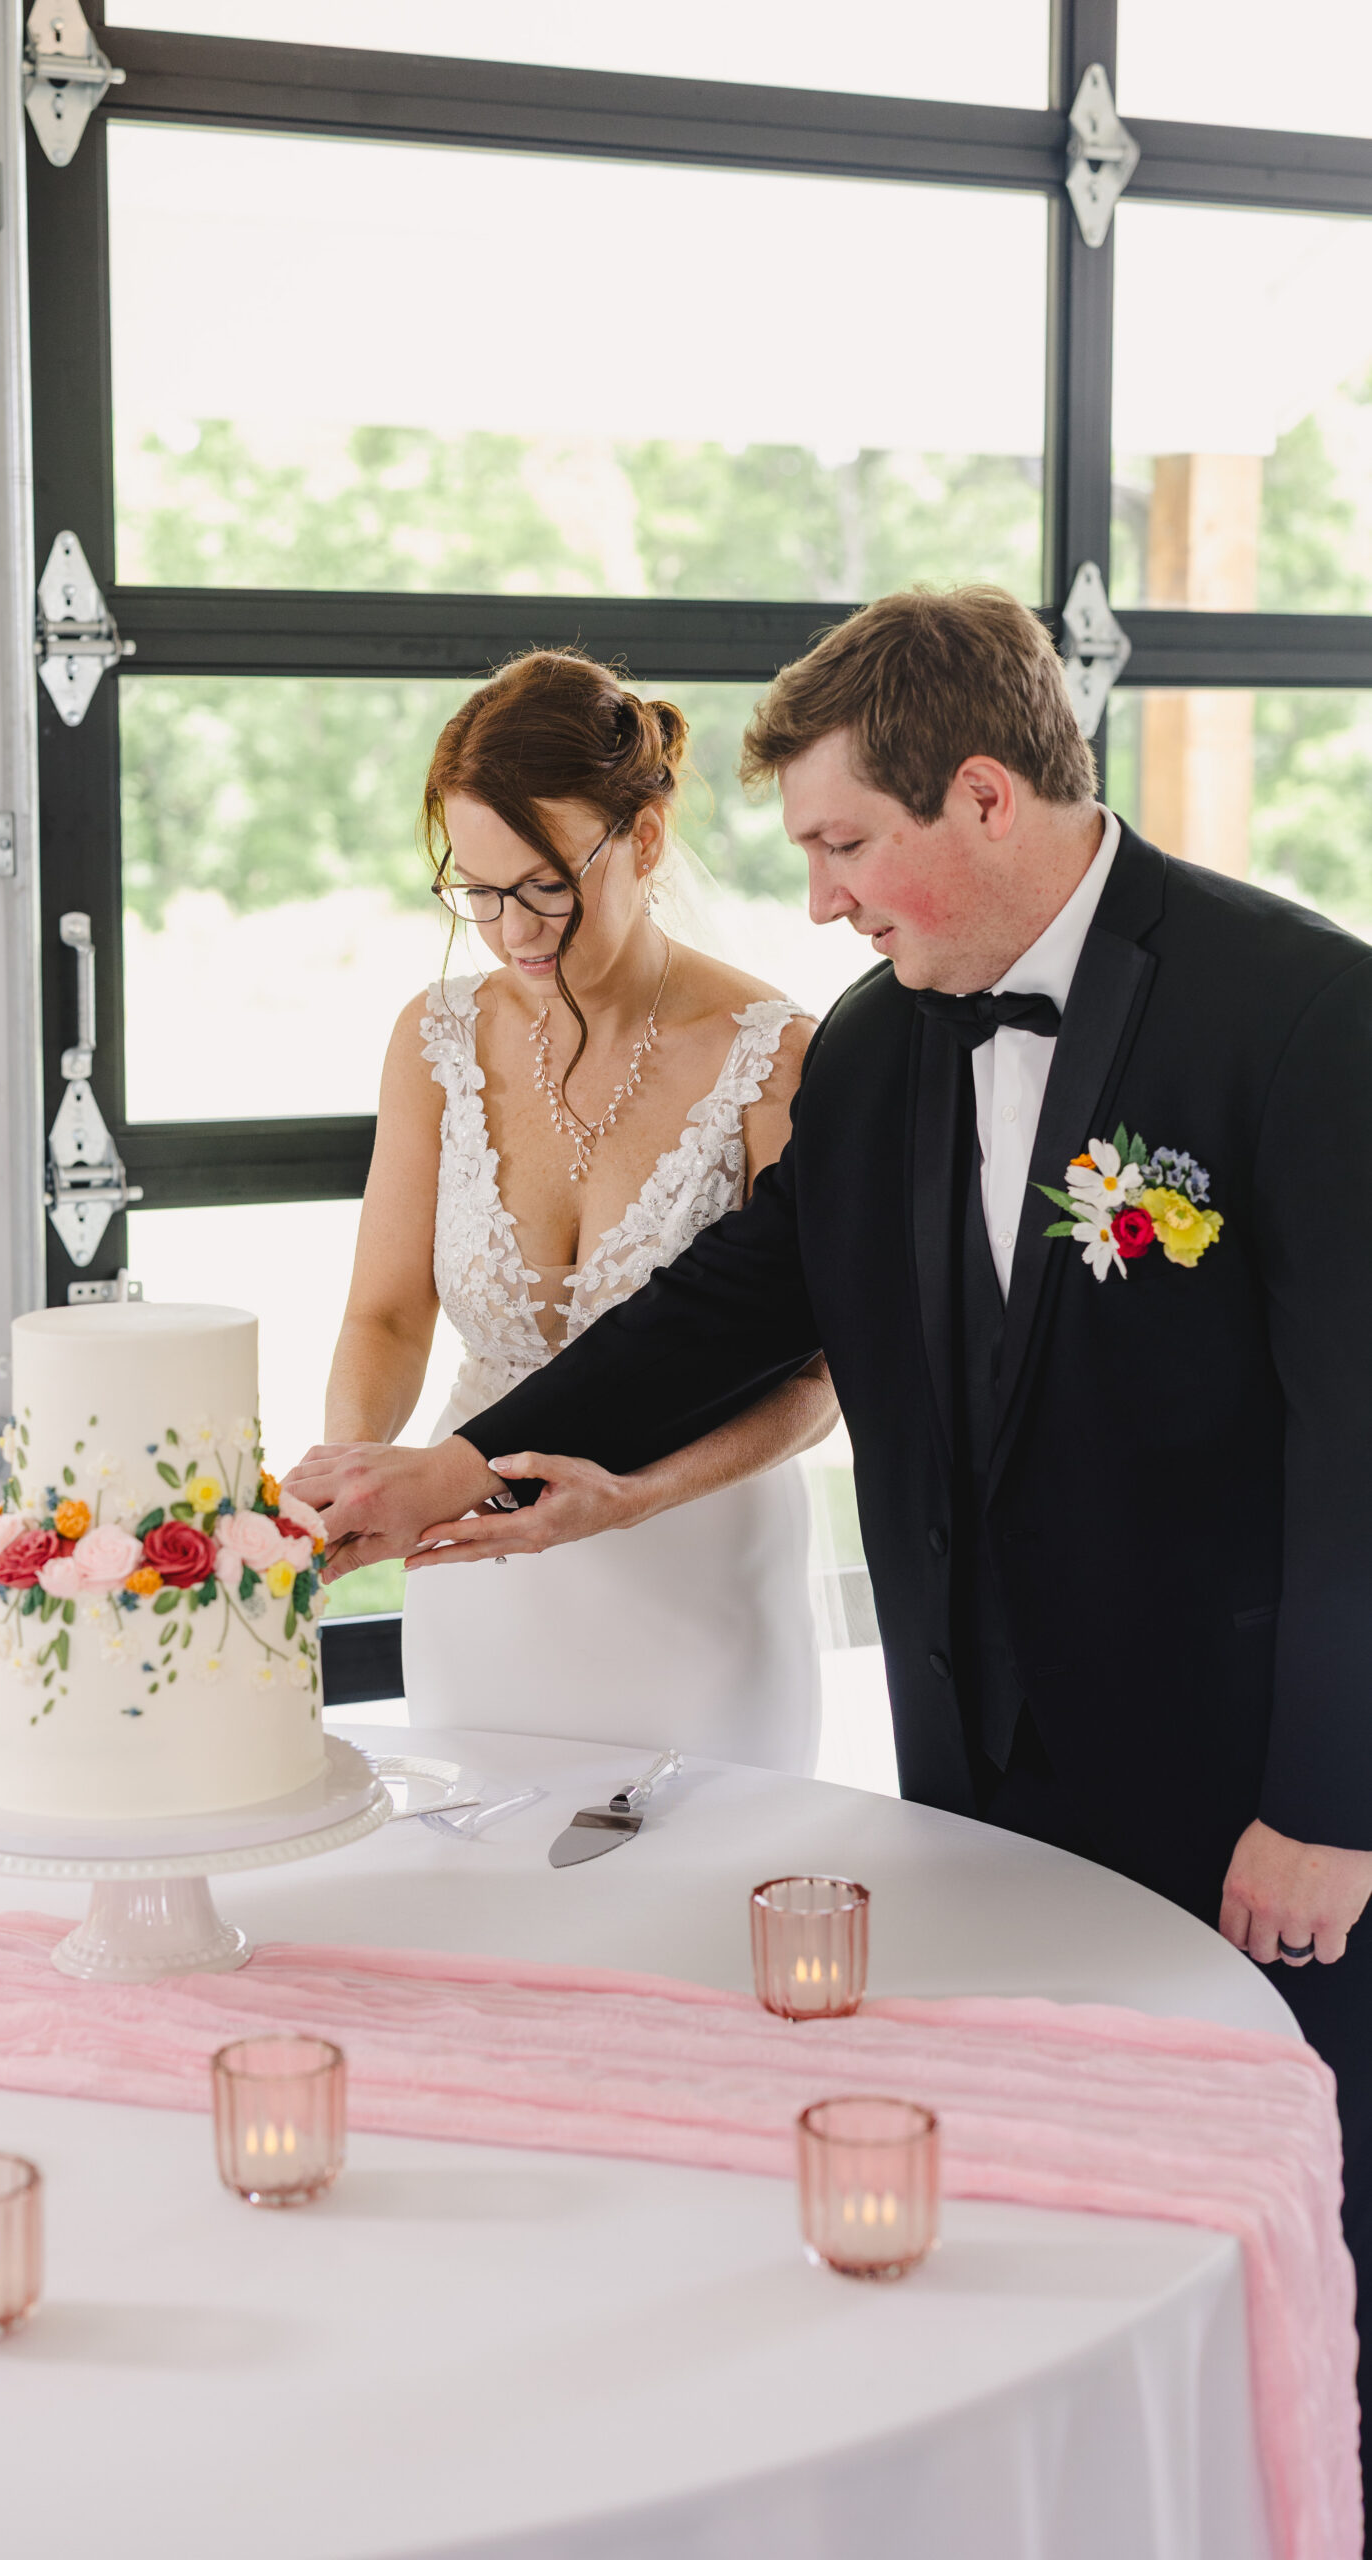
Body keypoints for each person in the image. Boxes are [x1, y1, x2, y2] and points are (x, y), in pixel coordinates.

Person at [288, 587, 1372, 2370]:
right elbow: (730, 1306)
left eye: (843, 842)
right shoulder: (873, 1045)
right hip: (972, 1772)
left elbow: (1360, 1441)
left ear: (982, 799)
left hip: (1241, 1790)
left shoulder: (1301, 1015)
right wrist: (454, 1465)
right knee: (1046, 2237)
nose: (817, 901)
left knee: (1290, 2234)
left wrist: (1333, 1803)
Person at [313, 648, 837, 1767]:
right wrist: (356, 1475)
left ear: (642, 838)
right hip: (478, 1582)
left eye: (544, 885)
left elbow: (819, 1380)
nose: (512, 932)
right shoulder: (436, 1038)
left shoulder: (771, 1055)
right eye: (479, 891)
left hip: (693, 1573)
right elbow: (388, 1314)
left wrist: (636, 1496)